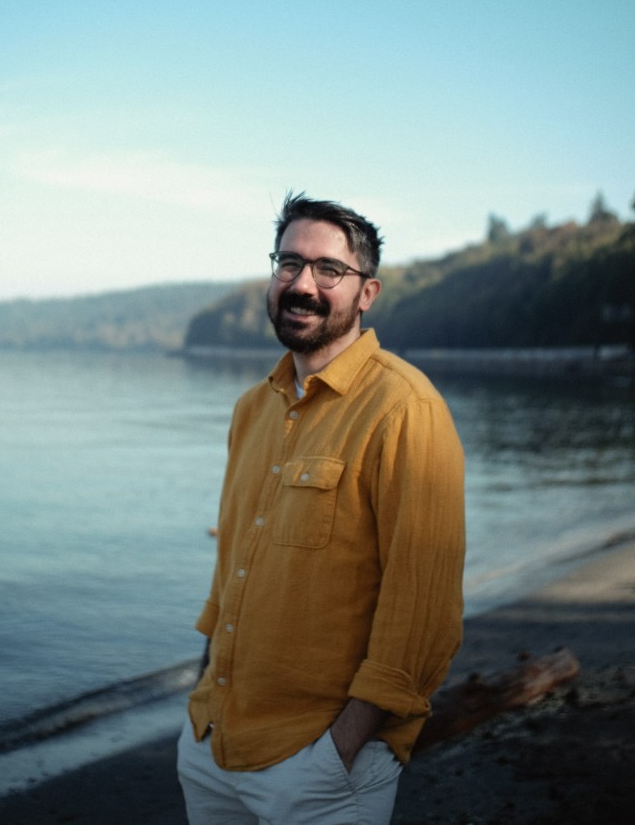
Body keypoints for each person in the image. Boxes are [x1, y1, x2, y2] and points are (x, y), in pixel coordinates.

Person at [177, 192, 465, 825]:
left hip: (319, 764)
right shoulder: (253, 409)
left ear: (367, 293)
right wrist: (202, 696)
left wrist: (341, 749)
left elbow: (424, 609)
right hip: (213, 745)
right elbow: (232, 571)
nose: (301, 283)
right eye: (288, 263)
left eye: (328, 270)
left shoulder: (404, 409)